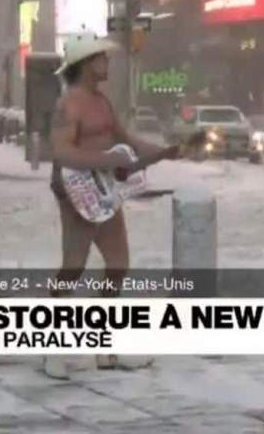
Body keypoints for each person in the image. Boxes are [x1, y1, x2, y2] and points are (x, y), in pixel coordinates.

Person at [46, 34, 179, 379]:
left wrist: (162, 151)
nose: (107, 63)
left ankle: (104, 347)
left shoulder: (102, 102)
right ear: (86, 64)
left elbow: (126, 140)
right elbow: (61, 152)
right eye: (101, 58)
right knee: (72, 268)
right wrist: (105, 159)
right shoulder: (68, 105)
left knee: (118, 264)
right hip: (77, 193)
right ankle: (52, 349)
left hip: (106, 192)